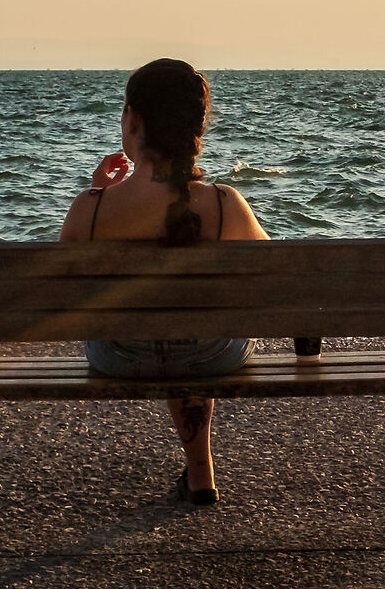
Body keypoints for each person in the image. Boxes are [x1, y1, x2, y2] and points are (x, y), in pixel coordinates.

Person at [59, 59, 267, 505]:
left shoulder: (90, 208)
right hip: (210, 356)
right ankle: (201, 472)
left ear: (133, 121)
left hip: (118, 356)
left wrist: (98, 194)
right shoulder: (225, 202)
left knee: (170, 328)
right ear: (197, 127)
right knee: (195, 327)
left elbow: (62, 286)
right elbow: (278, 270)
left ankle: (198, 475)